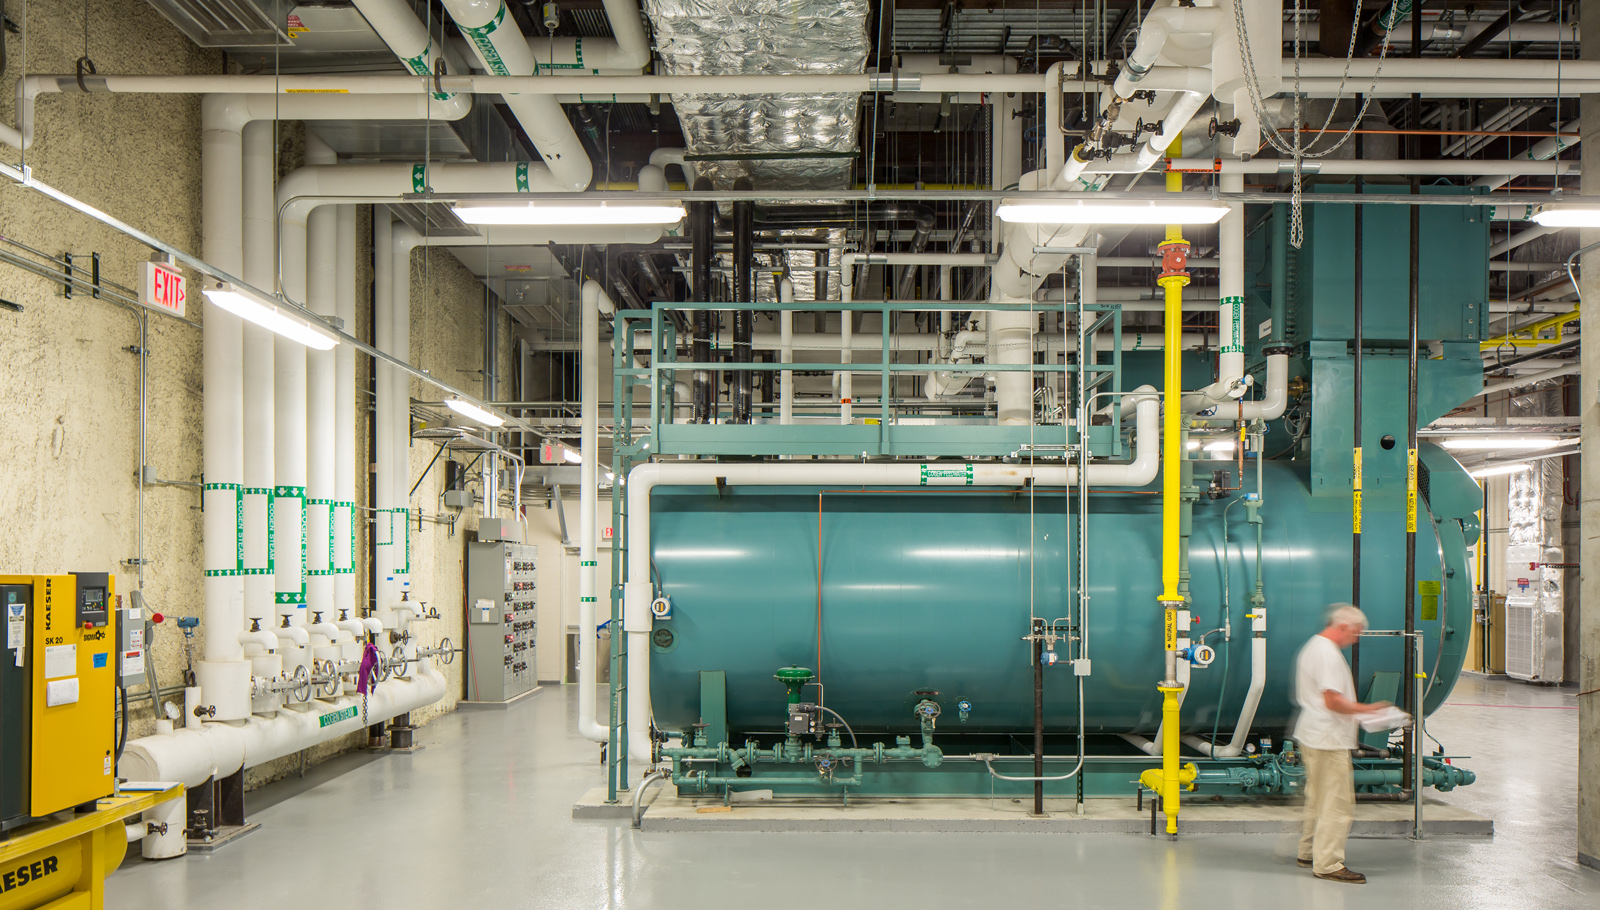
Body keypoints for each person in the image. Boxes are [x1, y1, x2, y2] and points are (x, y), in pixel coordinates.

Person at [1293, 603, 1390, 884]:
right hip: (1327, 740)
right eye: (1356, 632)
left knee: (1318, 799)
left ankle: (1309, 852)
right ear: (1344, 626)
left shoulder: (1316, 646)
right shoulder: (1326, 654)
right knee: (1337, 804)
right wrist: (1370, 710)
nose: (1356, 638)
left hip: (1315, 735)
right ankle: (1328, 864)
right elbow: (1333, 701)